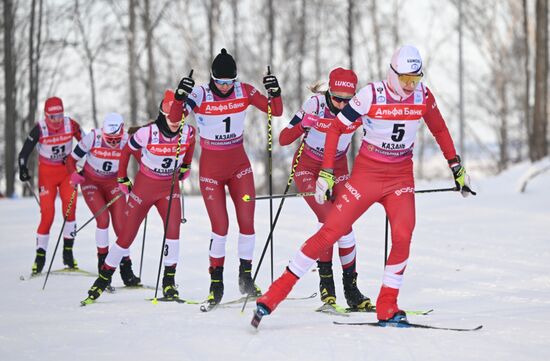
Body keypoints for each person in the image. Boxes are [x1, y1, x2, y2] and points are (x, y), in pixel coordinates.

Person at [253, 45, 475, 327]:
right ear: (392, 74)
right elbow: (335, 128)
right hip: (367, 176)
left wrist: (456, 167)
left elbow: (440, 129)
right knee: (331, 231)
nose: (410, 86)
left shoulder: (423, 95)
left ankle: (387, 306)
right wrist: (326, 174)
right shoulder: (371, 94)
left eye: (415, 79)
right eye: (405, 79)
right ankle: (272, 297)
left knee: (403, 235)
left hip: (401, 177)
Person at [169, 48, 283, 307]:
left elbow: (274, 111)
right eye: (219, 82)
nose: (224, 87)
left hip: (239, 167)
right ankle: (216, 283)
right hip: (211, 171)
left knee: (247, 221)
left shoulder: (243, 90)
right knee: (220, 227)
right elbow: (175, 119)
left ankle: (245, 276)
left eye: (229, 82)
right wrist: (179, 97)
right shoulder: (200, 94)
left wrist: (275, 93)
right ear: (211, 78)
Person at [82, 86, 196, 303]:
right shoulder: (147, 133)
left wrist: (186, 166)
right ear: (162, 114)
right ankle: (103, 279)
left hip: (169, 189)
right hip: (144, 188)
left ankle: (169, 283)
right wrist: (122, 178)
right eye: (170, 118)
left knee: (173, 231)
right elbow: (126, 150)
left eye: (178, 118)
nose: (174, 122)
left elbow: (191, 143)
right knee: (126, 236)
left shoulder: (188, 132)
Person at [278, 67, 371, 310]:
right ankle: (327, 288)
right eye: (337, 98)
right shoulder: (315, 105)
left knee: (345, 223)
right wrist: (303, 125)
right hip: (307, 168)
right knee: (331, 222)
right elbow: (283, 139)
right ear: (329, 92)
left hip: (338, 168)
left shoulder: (358, 107)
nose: (342, 105)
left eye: (347, 100)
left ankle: (351, 290)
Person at [66, 112, 140, 286]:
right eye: (109, 138)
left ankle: (126, 269)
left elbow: (143, 161)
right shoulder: (93, 137)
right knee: (103, 219)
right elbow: (71, 159)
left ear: (122, 132)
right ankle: (102, 265)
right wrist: (73, 174)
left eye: (116, 138)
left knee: (122, 226)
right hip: (91, 182)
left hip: (113, 182)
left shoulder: (127, 140)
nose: (113, 142)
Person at [18, 96, 83, 275]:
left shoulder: (71, 125)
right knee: (48, 214)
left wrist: (88, 162)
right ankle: (40, 257)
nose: (57, 121)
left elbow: (86, 142)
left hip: (67, 171)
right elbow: (24, 152)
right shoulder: (40, 128)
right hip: (47, 173)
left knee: (70, 210)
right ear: (46, 116)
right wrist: (22, 168)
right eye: (52, 117)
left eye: (60, 116)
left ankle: (68, 253)